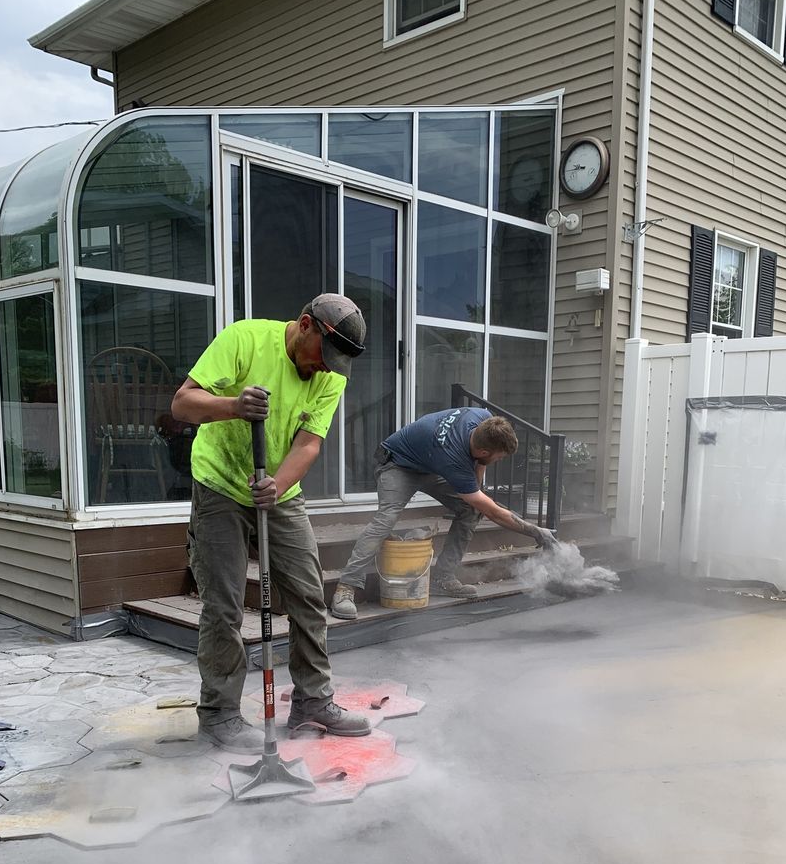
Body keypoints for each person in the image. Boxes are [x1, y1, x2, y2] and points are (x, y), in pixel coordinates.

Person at [171, 293, 372, 753]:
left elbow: (307, 445)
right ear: (306, 325)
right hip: (220, 485)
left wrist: (278, 485)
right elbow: (183, 405)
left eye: (337, 363)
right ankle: (219, 713)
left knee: (306, 594)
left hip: (280, 491)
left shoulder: (331, 373)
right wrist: (232, 406)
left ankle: (312, 701)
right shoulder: (245, 338)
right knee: (223, 605)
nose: (326, 368)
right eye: (324, 355)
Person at [330, 406, 559, 620]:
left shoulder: (483, 418)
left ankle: (442, 578)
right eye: (498, 457)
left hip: (429, 464)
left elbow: (480, 466)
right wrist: (535, 531)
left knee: (470, 510)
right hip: (397, 463)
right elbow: (494, 513)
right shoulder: (454, 458)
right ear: (483, 450)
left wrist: (476, 489)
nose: (498, 461)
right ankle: (346, 587)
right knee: (386, 518)